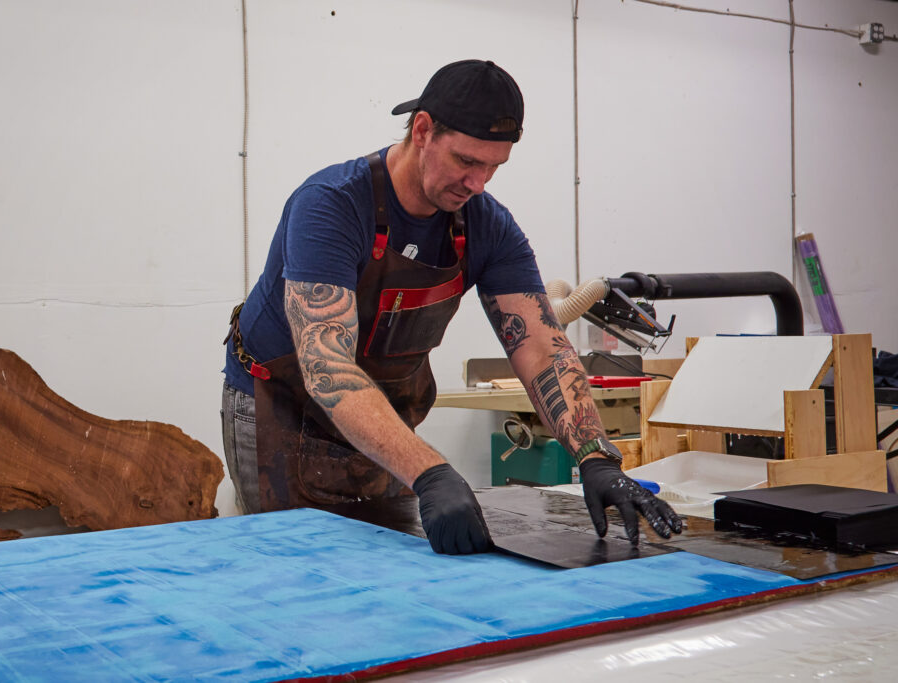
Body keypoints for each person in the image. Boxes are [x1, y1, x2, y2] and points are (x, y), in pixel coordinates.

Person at [222, 59, 682, 555]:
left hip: (383, 415)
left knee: (385, 558)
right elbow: (328, 369)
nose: (478, 183)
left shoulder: (486, 225)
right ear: (422, 130)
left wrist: (595, 457)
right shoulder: (330, 205)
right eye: (466, 161)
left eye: (493, 167)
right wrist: (431, 472)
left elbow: (542, 348)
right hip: (283, 408)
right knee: (301, 563)